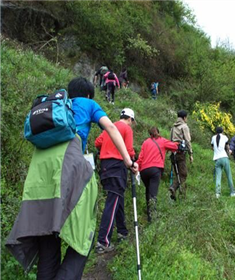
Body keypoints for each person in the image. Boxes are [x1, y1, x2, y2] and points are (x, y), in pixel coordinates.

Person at [6, 77, 138, 280]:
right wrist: (129, 162)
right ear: (87, 94)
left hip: (40, 172)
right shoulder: (88, 103)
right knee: (84, 236)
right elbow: (111, 128)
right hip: (69, 165)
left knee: (47, 235)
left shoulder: (54, 108)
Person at [95, 108, 136, 253]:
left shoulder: (109, 126)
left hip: (105, 166)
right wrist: (132, 161)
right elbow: (129, 150)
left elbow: (97, 143)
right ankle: (102, 241)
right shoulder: (126, 129)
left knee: (117, 197)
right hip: (117, 166)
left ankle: (122, 232)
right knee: (112, 202)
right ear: (130, 119)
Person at [137, 127, 179, 222]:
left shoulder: (145, 142)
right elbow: (174, 147)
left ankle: (149, 214)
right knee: (153, 194)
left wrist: (137, 168)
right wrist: (177, 144)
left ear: (150, 134)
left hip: (144, 170)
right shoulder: (162, 140)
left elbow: (140, 157)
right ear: (158, 132)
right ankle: (152, 217)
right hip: (155, 169)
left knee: (148, 191)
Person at [169, 110, 193, 200]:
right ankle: (173, 188)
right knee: (183, 175)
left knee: (178, 175)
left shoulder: (173, 128)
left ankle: (176, 196)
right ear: (184, 117)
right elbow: (188, 140)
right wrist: (191, 153)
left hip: (173, 154)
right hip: (180, 153)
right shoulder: (184, 127)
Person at [211, 127, 235, 198]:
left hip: (217, 159)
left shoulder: (213, 138)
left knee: (218, 177)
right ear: (222, 131)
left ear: (216, 132)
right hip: (224, 158)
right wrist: (229, 151)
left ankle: (217, 193)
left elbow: (212, 148)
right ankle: (232, 192)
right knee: (229, 175)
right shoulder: (224, 137)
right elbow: (227, 146)